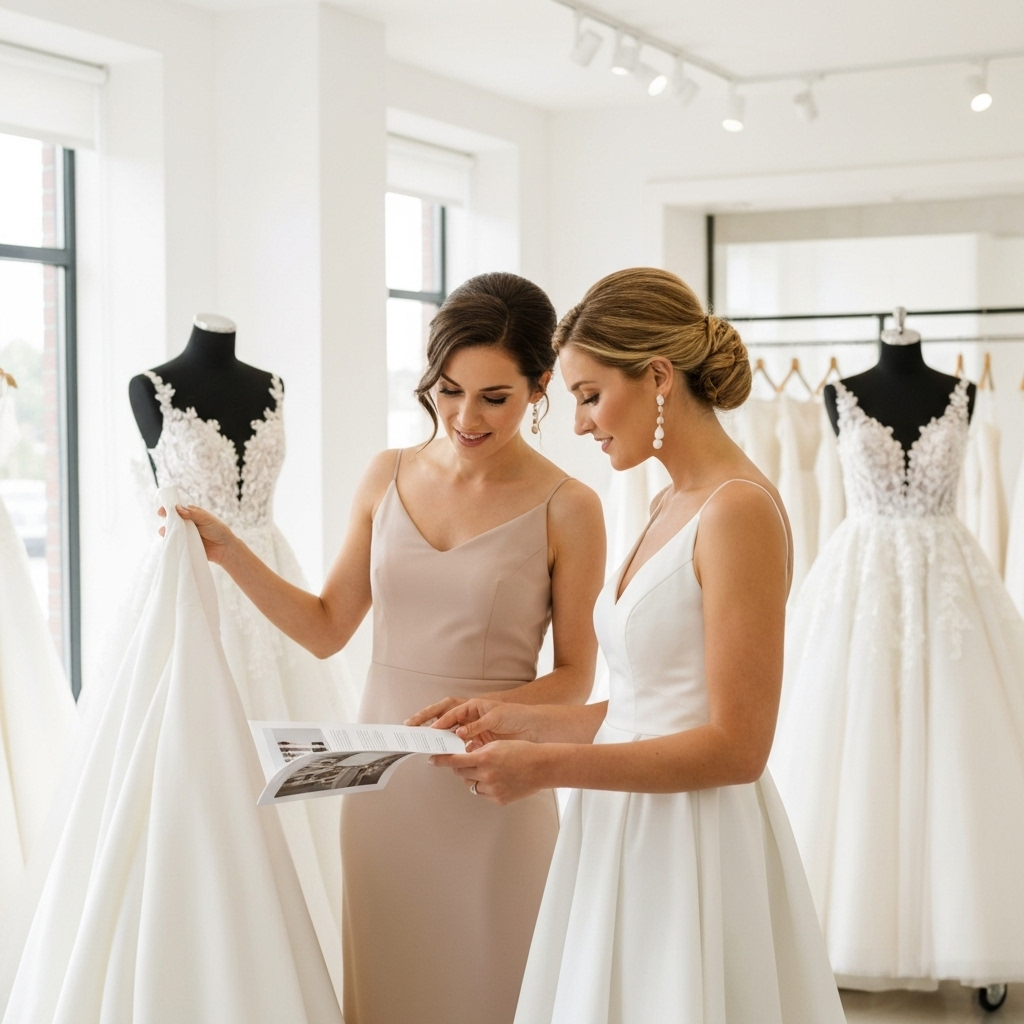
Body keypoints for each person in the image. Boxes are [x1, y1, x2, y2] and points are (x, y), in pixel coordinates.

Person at [174, 272, 606, 1024]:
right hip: (382, 792)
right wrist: (229, 551)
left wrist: (488, 710)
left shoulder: (570, 507)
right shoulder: (387, 474)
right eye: (446, 389)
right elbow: (325, 626)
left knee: (498, 988)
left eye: (494, 397)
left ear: (541, 386)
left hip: (492, 782)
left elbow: (575, 677)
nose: (464, 416)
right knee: (389, 991)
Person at [429, 268, 846, 1024]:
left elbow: (738, 747)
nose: (580, 422)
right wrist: (510, 720)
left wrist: (545, 768)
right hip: (620, 827)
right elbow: (645, 704)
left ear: (658, 377)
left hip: (689, 843)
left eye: (589, 395)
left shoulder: (738, 512)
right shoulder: (668, 500)